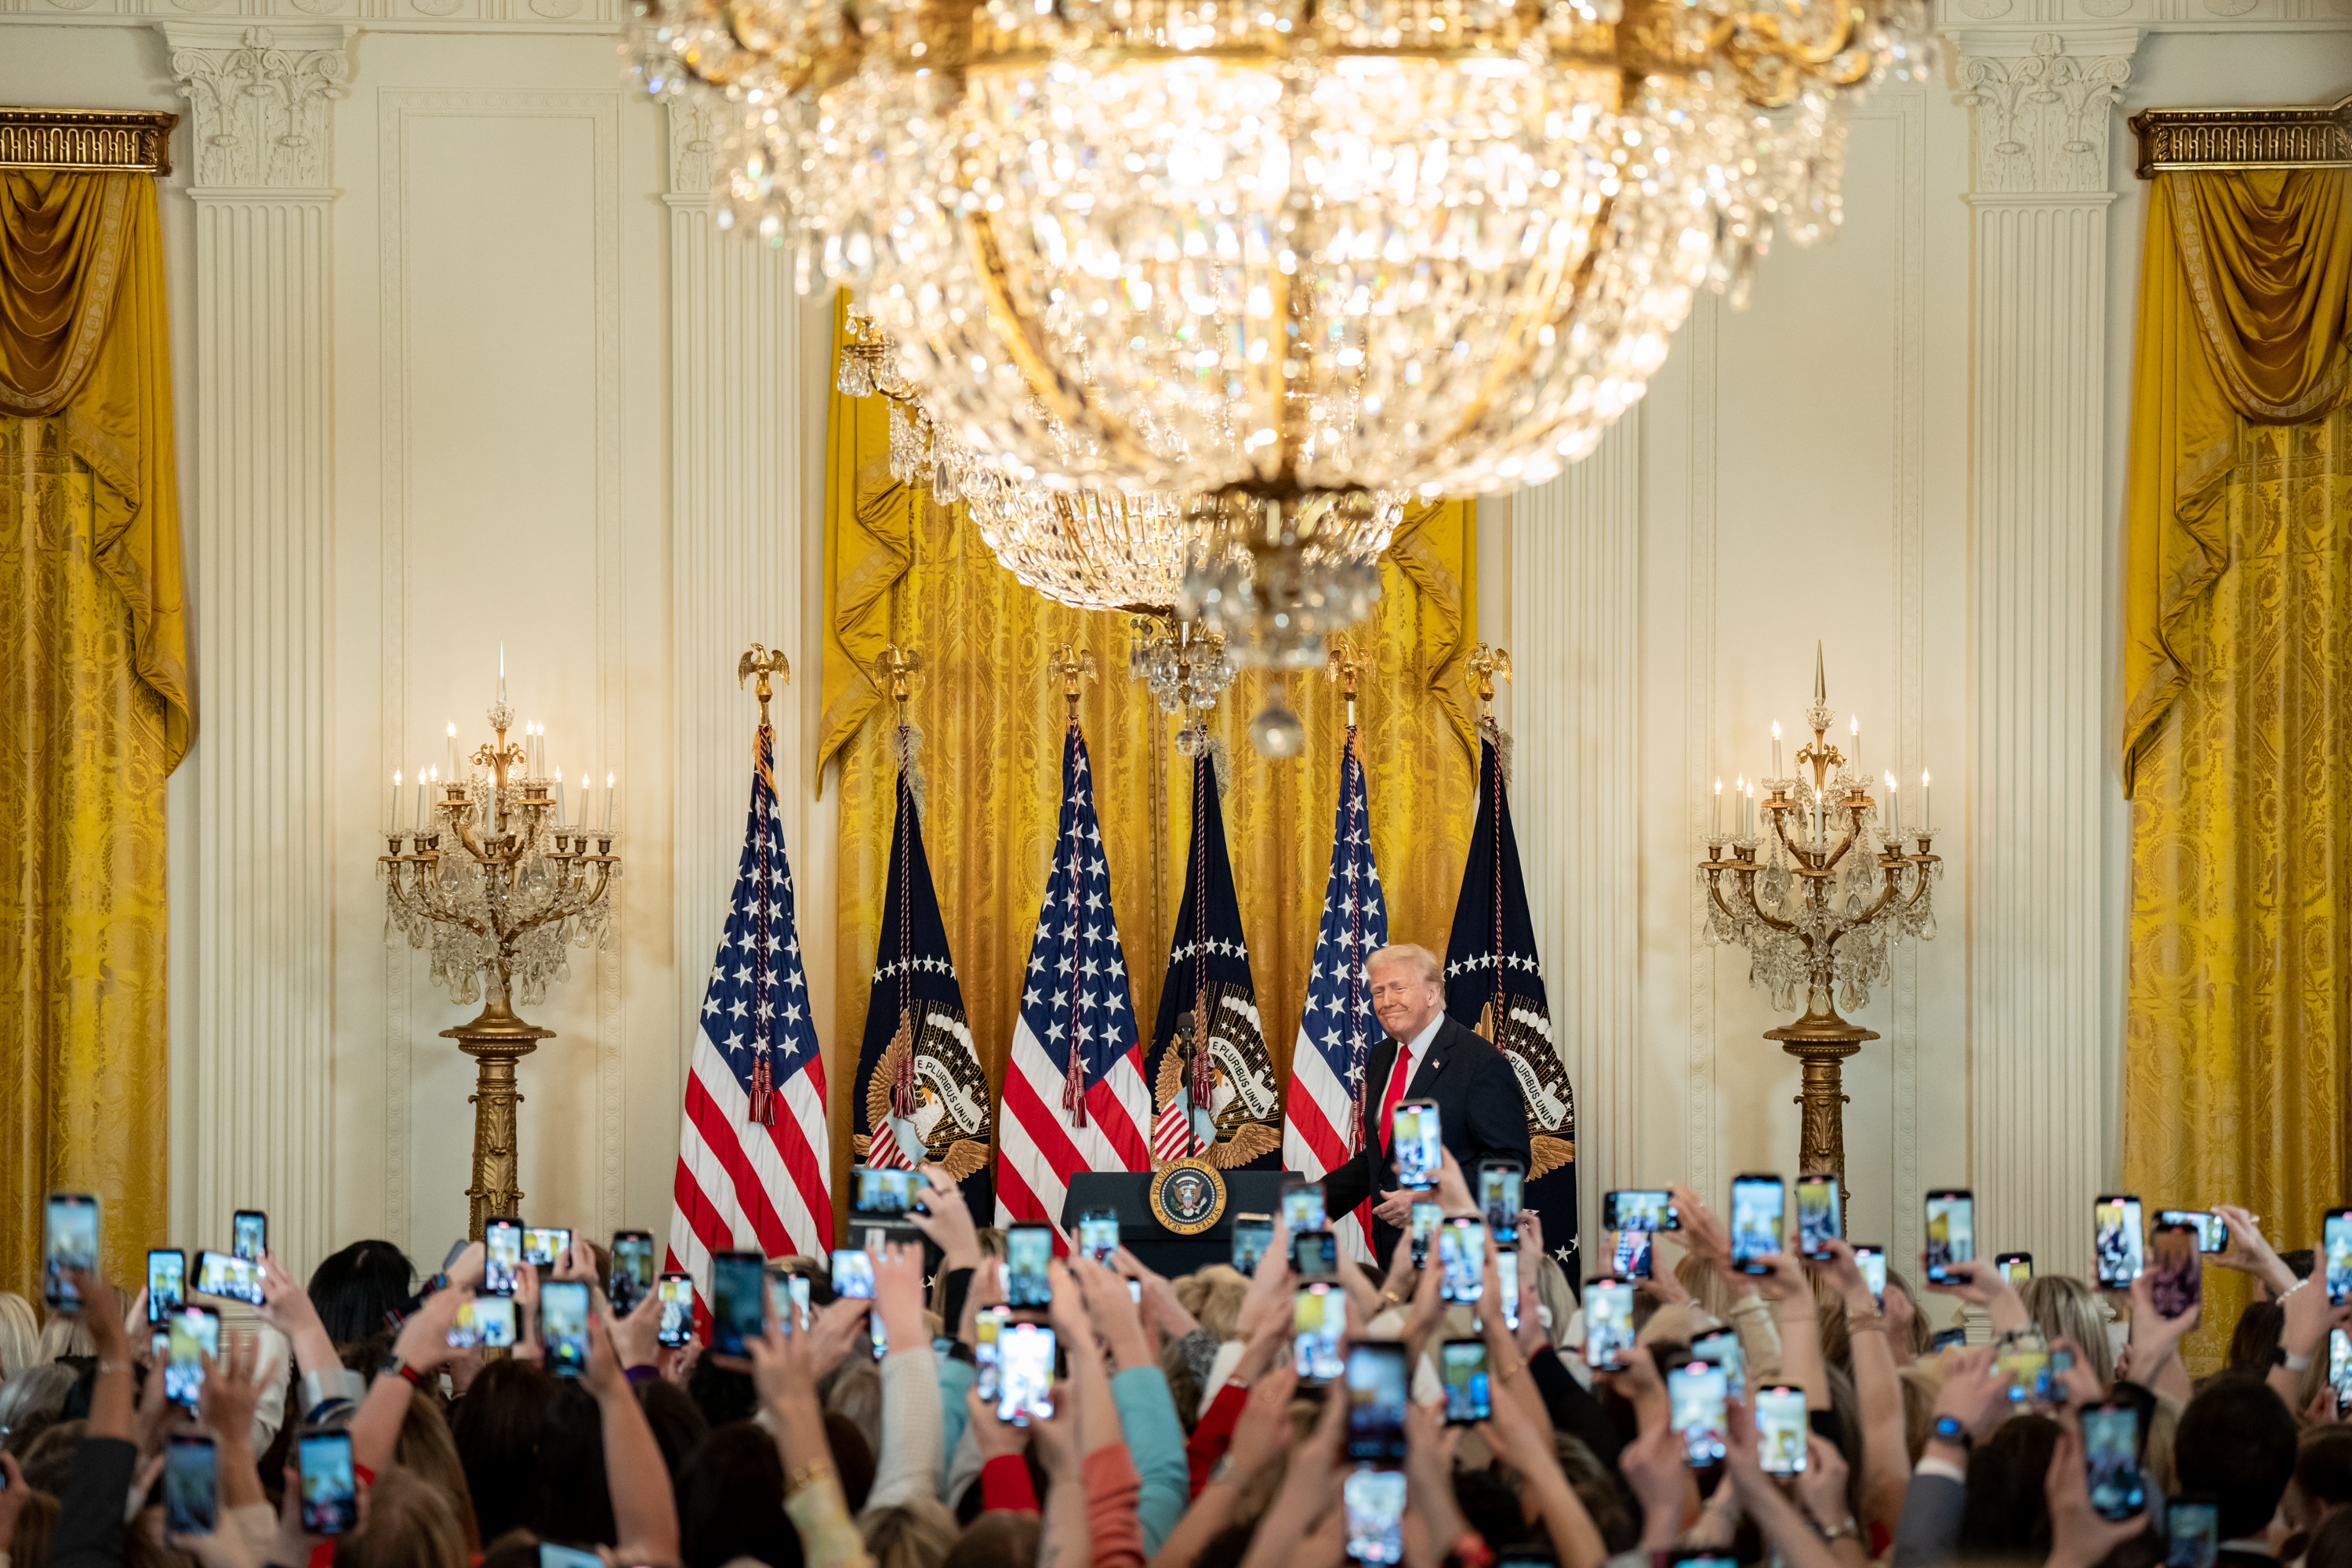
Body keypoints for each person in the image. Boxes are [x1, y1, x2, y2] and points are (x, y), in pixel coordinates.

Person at [1318, 943, 1530, 1261]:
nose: (1386, 1001)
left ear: (1432, 994)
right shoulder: (1382, 1056)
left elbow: (1508, 1163)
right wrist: (1308, 1206)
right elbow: (1381, 1157)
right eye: (1377, 991)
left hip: (1457, 1252)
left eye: (1398, 988)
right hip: (1395, 1253)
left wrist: (1428, 1198)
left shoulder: (1478, 1061)